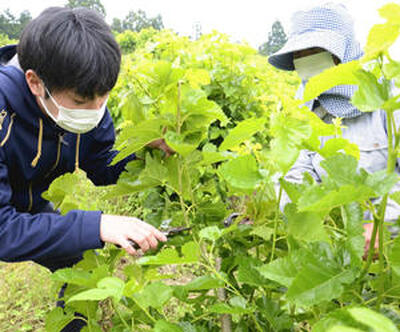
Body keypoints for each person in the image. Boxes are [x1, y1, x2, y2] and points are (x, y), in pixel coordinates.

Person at [0, 7, 168, 331]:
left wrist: (140, 150)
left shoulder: (87, 99)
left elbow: (102, 164)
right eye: (80, 102)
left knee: (79, 264)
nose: (94, 111)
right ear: (35, 82)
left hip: (29, 203)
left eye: (103, 97)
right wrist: (97, 225)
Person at [268, 3, 400, 253]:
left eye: (316, 49)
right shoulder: (303, 108)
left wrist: (383, 223)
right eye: (300, 53)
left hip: (390, 251)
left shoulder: (388, 100)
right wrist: (299, 220)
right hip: (336, 248)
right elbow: (296, 178)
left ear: (345, 50)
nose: (307, 59)